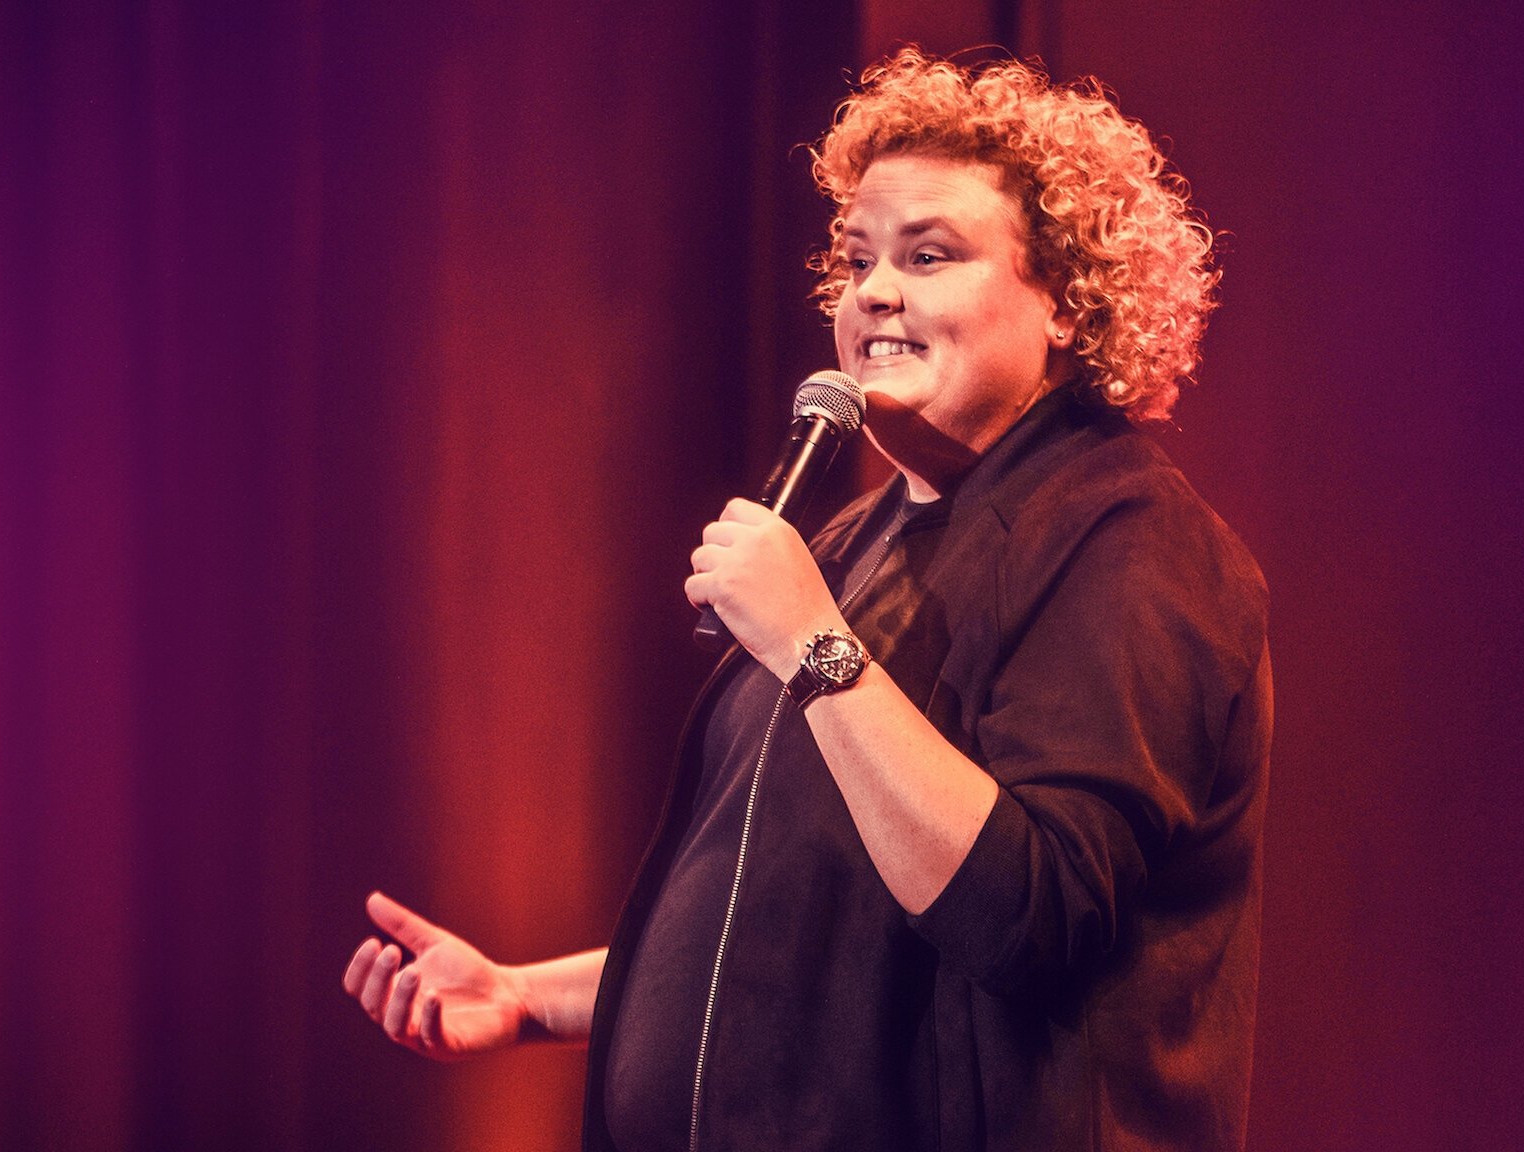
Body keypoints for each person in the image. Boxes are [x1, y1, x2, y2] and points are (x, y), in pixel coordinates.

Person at [344, 46, 1270, 1151]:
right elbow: (783, 930)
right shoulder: (848, 545)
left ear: (1066, 301)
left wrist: (816, 646)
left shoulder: (1132, 543)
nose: (872, 291)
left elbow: (1029, 917)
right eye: (856, 258)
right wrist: (524, 996)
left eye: (927, 255)